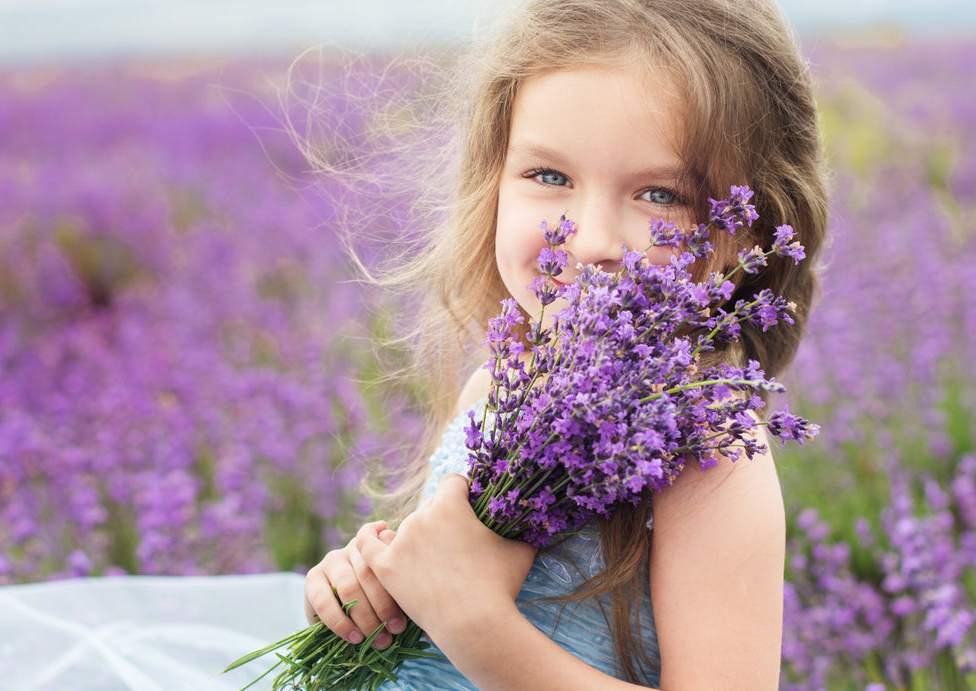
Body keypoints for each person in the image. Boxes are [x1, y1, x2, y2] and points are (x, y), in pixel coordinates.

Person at [301, 0, 828, 689]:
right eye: (550, 177)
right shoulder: (496, 387)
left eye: (661, 194)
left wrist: (477, 627)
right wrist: (362, 594)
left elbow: (462, 607)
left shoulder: (713, 457)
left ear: (746, 236)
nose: (591, 242)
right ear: (493, 181)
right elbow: (434, 589)